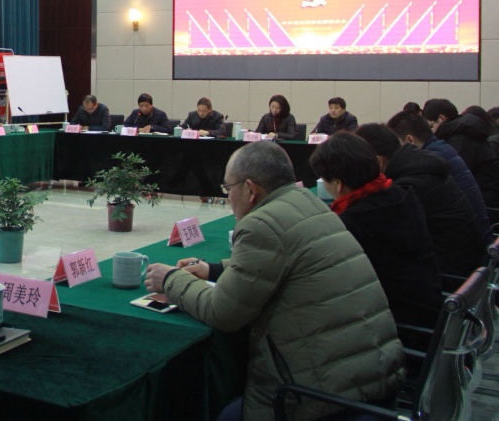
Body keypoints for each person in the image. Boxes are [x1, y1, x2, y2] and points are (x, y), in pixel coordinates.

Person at [144, 141, 404, 420]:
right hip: (377, 374)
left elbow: (222, 313)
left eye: (228, 188)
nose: (228, 197)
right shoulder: (309, 203)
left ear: (250, 189)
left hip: (325, 394)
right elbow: (285, 261)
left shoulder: (261, 224)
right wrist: (214, 270)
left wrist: (171, 279)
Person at [309, 133, 442, 331]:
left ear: (338, 183)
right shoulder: (402, 193)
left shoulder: (352, 223)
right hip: (429, 311)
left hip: (397, 326)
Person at [355, 123, 485, 278]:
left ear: (378, 162)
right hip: (470, 268)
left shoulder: (407, 187)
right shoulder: (420, 167)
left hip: (450, 276)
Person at [386, 110, 490, 236]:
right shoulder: (442, 149)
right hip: (479, 233)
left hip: (469, 238)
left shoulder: (428, 163)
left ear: (409, 140)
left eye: (396, 143)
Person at [423, 98, 499, 218]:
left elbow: (451, 180)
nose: (431, 132)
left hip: (485, 209)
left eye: (431, 126)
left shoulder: (460, 139)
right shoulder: (465, 132)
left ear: (441, 118)